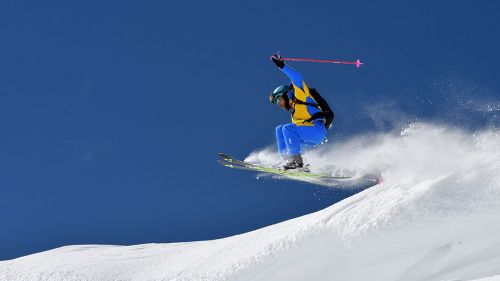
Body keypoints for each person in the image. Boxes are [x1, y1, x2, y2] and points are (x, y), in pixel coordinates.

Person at [269, 54, 333, 170]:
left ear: (286, 94)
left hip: (317, 130)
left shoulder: (300, 95)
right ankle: (286, 160)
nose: (280, 105)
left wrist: (282, 66)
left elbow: (297, 77)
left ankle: (296, 161)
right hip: (308, 137)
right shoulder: (294, 112)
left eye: (280, 101)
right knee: (280, 129)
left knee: (287, 128)